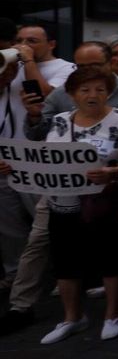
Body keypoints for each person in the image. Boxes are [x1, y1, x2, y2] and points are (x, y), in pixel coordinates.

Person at [33, 64, 118, 344]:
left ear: (109, 93)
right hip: (63, 201)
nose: (92, 95)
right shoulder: (60, 120)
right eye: (85, 90)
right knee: (65, 258)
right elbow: (45, 157)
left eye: (99, 89)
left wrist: (116, 171)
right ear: (72, 94)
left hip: (105, 200)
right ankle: (72, 317)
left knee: (110, 254)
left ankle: (114, 314)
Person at [0, 21, 74, 331]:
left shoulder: (64, 69)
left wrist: (29, 63)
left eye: (32, 40)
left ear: (51, 44)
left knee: (45, 228)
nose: (24, 44)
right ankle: (15, 275)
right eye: (19, 39)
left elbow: (47, 99)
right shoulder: (10, 66)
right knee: (10, 228)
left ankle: (64, 275)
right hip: (7, 158)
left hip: (39, 160)